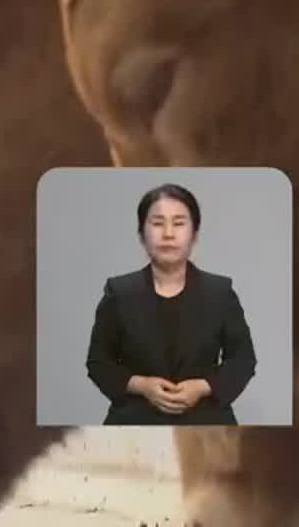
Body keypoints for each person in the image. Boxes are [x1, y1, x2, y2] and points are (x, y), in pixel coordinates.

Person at [84, 182, 257, 425]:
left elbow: (243, 359)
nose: (168, 233)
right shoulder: (119, 292)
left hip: (207, 421)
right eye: (157, 223)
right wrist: (141, 386)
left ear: (194, 235)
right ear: (142, 235)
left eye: (178, 223)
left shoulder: (220, 292)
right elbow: (98, 362)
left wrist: (204, 386)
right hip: (134, 419)